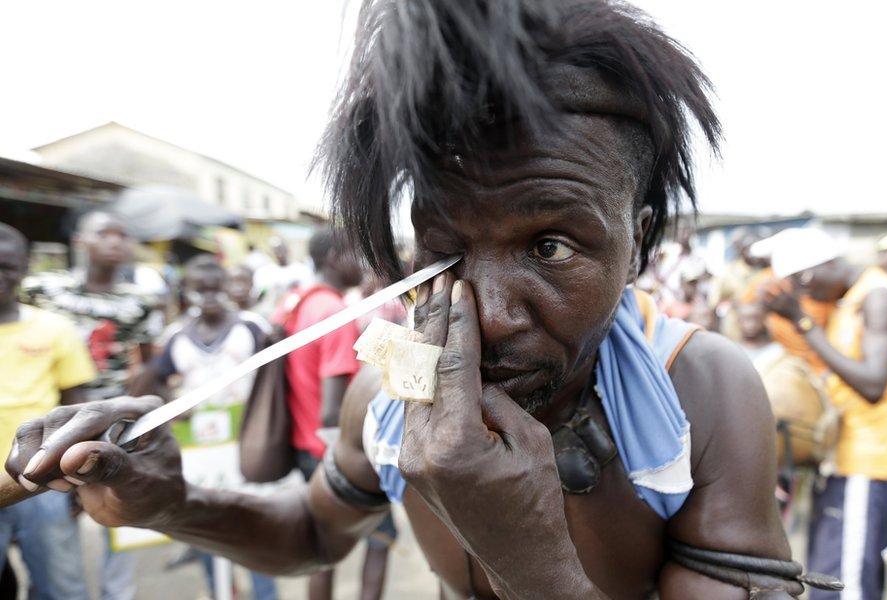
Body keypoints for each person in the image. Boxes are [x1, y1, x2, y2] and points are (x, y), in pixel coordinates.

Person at [8, 2, 842, 598]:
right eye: (443, 252)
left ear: (641, 244)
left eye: (550, 246)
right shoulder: (389, 389)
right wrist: (172, 502)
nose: (486, 314)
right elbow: (311, 530)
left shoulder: (700, 394)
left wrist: (529, 560)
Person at [763, 227, 887, 600]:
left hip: (866, 463)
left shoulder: (879, 299)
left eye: (802, 286)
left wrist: (801, 320)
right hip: (846, 461)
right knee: (831, 576)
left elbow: (872, 384)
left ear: (810, 273)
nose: (806, 295)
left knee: (844, 586)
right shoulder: (852, 301)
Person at [21, 211, 163, 600]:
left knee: (118, 511)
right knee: (55, 514)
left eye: (123, 234)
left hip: (112, 424)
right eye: (105, 234)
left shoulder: (139, 301)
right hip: (52, 422)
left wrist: (134, 406)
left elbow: (150, 360)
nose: (116, 242)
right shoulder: (42, 290)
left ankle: (118, 595)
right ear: (81, 241)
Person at [135, 254, 278, 600]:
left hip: (246, 440)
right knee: (205, 520)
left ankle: (265, 594)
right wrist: (171, 403)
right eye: (201, 291)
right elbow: (151, 377)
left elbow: (275, 377)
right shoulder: (176, 337)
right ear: (187, 292)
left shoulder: (252, 327)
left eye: (216, 289)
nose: (210, 297)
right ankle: (221, 592)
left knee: (253, 521)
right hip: (197, 447)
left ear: (227, 288)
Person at [271, 228, 375, 600]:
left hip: (301, 443)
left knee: (322, 551)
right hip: (328, 452)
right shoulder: (334, 313)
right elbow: (332, 411)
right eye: (357, 253)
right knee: (381, 541)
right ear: (333, 257)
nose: (364, 263)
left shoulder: (299, 301)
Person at [0, 223, 93, 600]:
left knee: (60, 589)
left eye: (7, 266)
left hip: (40, 485)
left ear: (24, 268)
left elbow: (79, 409)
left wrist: (79, 482)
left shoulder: (54, 328)